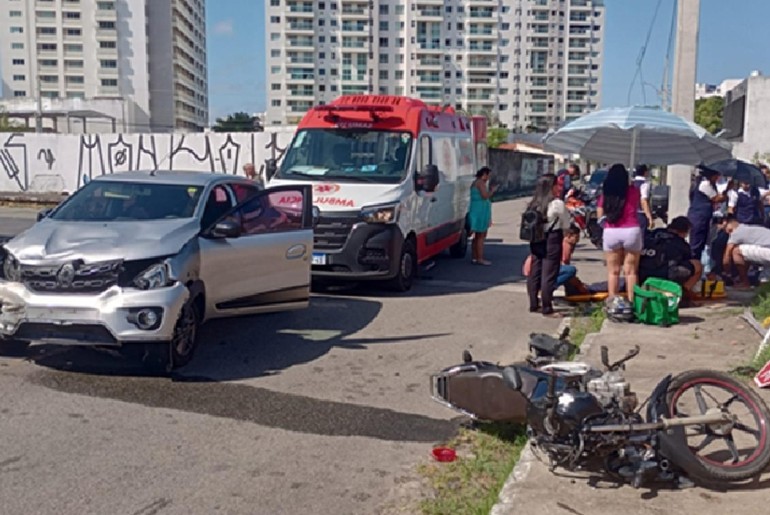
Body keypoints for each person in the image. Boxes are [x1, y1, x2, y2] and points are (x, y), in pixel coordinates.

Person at [526, 174, 571, 317]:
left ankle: (534, 304)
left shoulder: (533, 203)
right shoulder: (557, 204)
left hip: (535, 239)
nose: (559, 187)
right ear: (551, 186)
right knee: (549, 274)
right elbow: (566, 224)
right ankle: (547, 308)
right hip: (552, 238)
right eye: (556, 184)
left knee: (535, 271)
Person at [597, 163, 642, 302]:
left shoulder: (606, 193)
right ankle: (633, 302)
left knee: (613, 271)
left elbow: (599, 214)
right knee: (631, 271)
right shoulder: (633, 191)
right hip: (631, 230)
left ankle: (613, 302)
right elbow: (636, 204)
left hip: (612, 230)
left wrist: (605, 225)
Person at [638, 216, 703, 307]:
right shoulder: (681, 243)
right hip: (664, 274)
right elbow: (688, 260)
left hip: (641, 274)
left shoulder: (654, 233)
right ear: (684, 231)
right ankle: (682, 294)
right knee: (697, 265)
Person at [522, 225, 580, 290]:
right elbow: (564, 263)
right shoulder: (566, 245)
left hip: (532, 269)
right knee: (571, 270)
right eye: (576, 237)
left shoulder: (559, 241)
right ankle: (549, 286)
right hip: (539, 269)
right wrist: (578, 283)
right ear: (569, 236)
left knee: (567, 272)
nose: (578, 240)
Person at [687, 166, 726, 262]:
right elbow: (717, 199)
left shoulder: (708, 184)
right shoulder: (705, 184)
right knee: (696, 244)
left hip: (703, 216)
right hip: (699, 217)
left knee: (702, 243)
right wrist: (727, 190)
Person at [722, 217, 770, 288]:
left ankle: (744, 282)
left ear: (729, 229)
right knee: (763, 281)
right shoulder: (750, 228)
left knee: (736, 251)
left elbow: (727, 255)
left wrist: (727, 272)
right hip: (766, 249)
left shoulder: (736, 232)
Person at [468, 166, 498, 265]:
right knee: (481, 235)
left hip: (478, 210)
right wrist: (492, 191)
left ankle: (475, 257)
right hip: (480, 211)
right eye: (488, 175)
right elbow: (485, 196)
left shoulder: (476, 182)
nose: (489, 178)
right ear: (484, 175)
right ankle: (480, 258)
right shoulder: (480, 183)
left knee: (477, 236)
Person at [633, 164, 654, 231]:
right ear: (645, 172)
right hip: (640, 214)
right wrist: (649, 217)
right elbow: (644, 201)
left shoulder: (632, 183)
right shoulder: (644, 184)